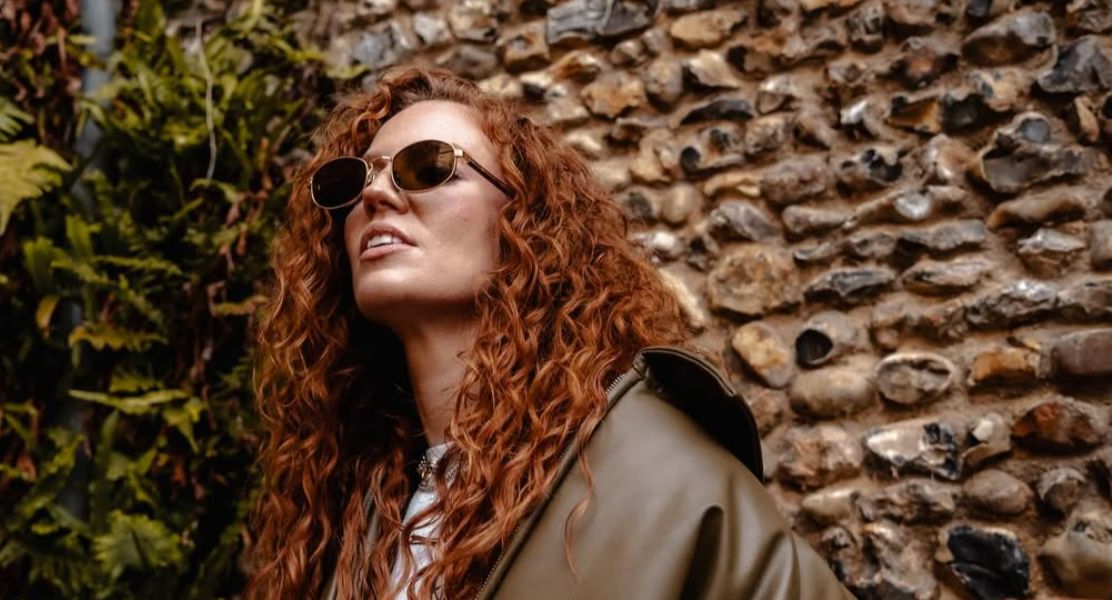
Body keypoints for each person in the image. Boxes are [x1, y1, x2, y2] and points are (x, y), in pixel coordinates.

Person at [245, 66, 854, 600]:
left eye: (427, 167)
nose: (375, 194)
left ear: (523, 221)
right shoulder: (356, 502)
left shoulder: (658, 472)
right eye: (355, 181)